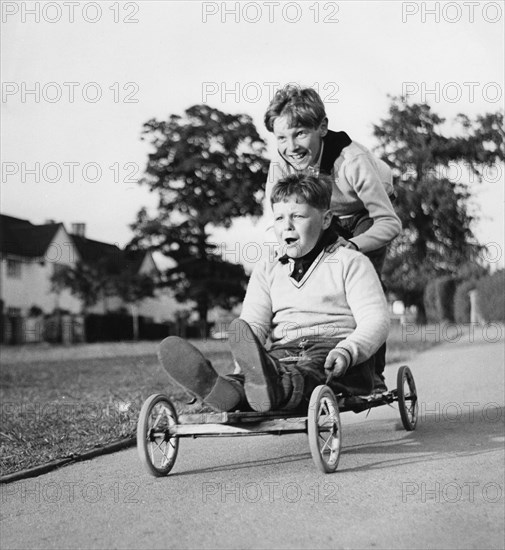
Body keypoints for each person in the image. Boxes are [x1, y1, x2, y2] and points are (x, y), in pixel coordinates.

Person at [158, 173, 390, 413]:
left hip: (335, 350)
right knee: (269, 371)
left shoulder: (350, 261)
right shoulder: (268, 267)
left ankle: (268, 389)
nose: (286, 225)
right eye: (279, 218)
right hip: (285, 351)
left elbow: (376, 320)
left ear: (326, 219)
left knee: (307, 373)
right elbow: (253, 325)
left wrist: (348, 350)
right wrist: (245, 362)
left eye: (297, 216)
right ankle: (225, 390)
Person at [263, 85, 401, 391]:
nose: (291, 146)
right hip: (329, 214)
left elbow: (390, 223)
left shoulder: (351, 161)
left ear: (322, 127)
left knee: (364, 282)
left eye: (300, 134)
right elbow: (275, 218)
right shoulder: (281, 165)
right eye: (281, 138)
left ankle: (371, 376)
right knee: (321, 275)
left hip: (367, 209)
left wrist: (353, 245)